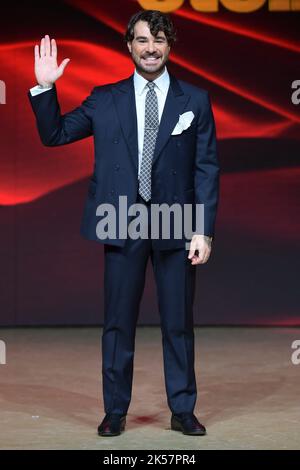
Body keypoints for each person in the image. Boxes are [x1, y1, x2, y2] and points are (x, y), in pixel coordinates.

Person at [28, 10, 220, 437]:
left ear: (170, 45)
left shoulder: (196, 100)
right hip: (123, 219)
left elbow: (206, 168)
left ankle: (182, 409)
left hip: (177, 222)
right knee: (118, 322)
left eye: (158, 39)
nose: (150, 48)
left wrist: (202, 229)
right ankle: (115, 411)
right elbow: (54, 134)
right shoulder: (105, 97)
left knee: (178, 323)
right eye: (142, 40)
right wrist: (45, 87)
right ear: (128, 46)